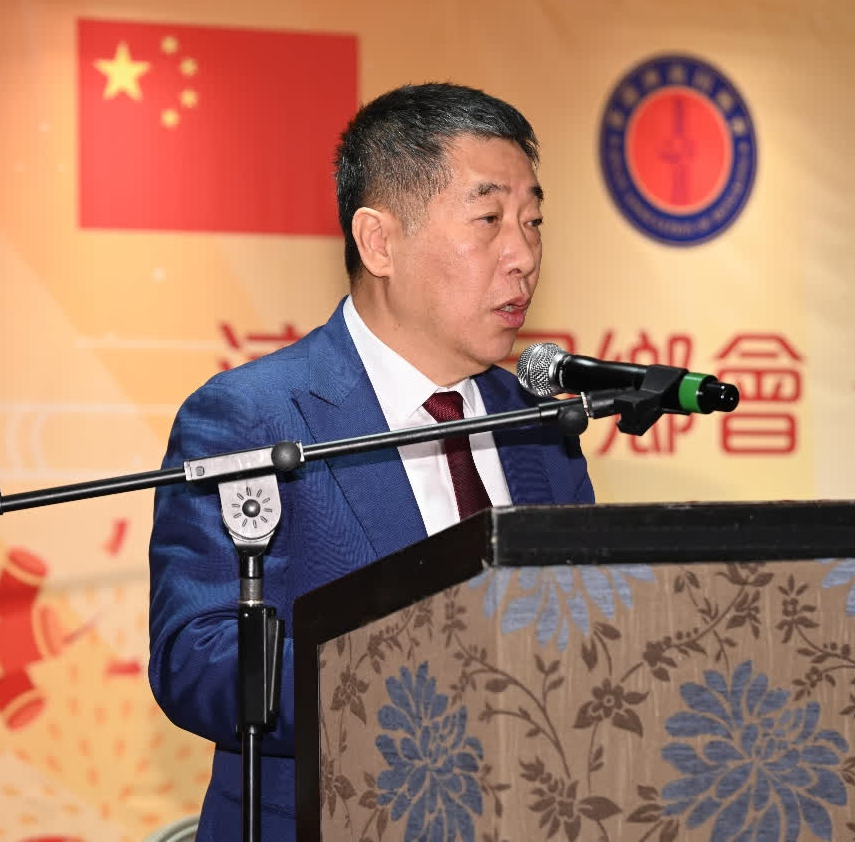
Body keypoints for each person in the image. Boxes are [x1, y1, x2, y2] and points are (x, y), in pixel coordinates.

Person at [147, 83, 594, 841]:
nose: (523, 256)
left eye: (533, 222)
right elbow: (198, 657)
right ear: (378, 242)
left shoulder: (538, 422)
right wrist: (422, 690)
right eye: (488, 220)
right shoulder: (254, 417)